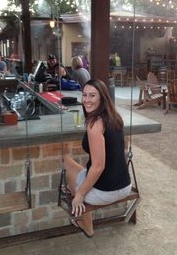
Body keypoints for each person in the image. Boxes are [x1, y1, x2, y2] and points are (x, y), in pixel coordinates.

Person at [63, 79, 131, 237]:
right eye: (84, 95)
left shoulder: (95, 124)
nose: (87, 100)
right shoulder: (115, 117)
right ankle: (72, 189)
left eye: (92, 95)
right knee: (73, 166)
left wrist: (79, 195)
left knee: (70, 172)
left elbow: (98, 166)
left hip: (106, 193)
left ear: (102, 97)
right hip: (125, 186)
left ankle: (86, 225)